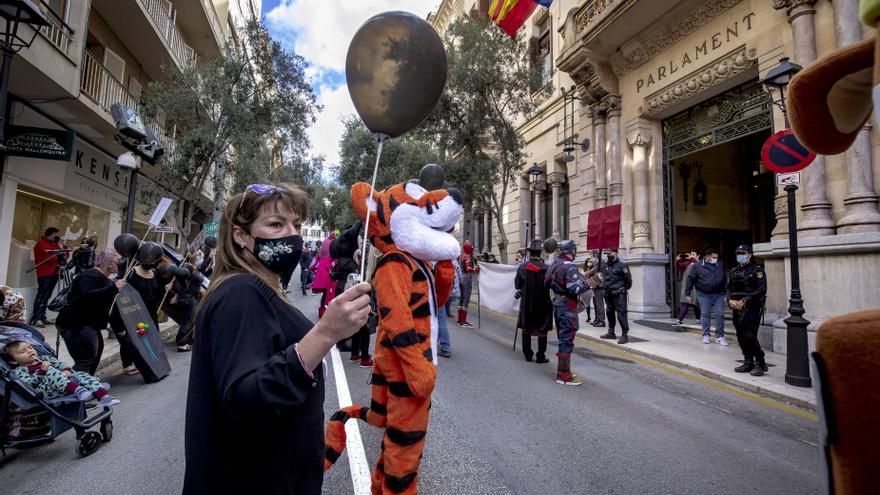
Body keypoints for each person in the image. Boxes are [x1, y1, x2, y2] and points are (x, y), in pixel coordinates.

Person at [183, 183, 371, 494]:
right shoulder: (240, 293)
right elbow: (246, 401)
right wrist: (326, 332)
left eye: (295, 225)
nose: (292, 235)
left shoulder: (259, 287)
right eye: (275, 224)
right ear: (241, 235)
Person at [56, 249, 126, 375]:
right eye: (116, 261)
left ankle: (87, 383)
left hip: (89, 323)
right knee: (86, 358)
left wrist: (119, 327)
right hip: (77, 323)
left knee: (95, 354)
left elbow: (110, 307)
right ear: (107, 262)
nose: (119, 264)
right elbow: (86, 296)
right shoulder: (89, 276)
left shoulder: (107, 281)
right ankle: (76, 387)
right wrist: (113, 288)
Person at [4, 340, 120, 407]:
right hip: (47, 391)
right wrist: (42, 371)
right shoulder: (20, 370)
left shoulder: (45, 358)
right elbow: (29, 384)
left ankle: (103, 396)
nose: (29, 351)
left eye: (30, 347)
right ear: (14, 360)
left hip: (65, 383)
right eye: (22, 351)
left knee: (80, 374)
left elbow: (61, 364)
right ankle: (80, 391)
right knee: (51, 371)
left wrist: (66, 370)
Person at [110, 249, 167, 375]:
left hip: (150, 312)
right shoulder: (131, 273)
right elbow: (123, 294)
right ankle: (127, 364)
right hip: (134, 312)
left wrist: (165, 289)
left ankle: (153, 362)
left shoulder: (154, 273)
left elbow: (157, 292)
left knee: (151, 337)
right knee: (132, 339)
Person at [546, 240, 589, 385]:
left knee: (562, 338)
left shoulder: (554, 264)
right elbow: (576, 289)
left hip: (557, 304)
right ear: (572, 251)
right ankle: (564, 375)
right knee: (566, 340)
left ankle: (563, 370)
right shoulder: (569, 267)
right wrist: (590, 282)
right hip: (567, 307)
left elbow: (546, 282)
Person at [727, 244, 768, 376]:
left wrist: (745, 300)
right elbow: (728, 289)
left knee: (750, 335)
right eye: (738, 253)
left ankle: (760, 362)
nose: (740, 256)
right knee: (740, 335)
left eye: (743, 253)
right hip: (736, 307)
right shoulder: (733, 271)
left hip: (752, 307)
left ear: (749, 255)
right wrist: (729, 300)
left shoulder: (757, 270)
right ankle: (748, 361)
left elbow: (761, 289)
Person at [515, 240, 553, 363]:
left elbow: (517, 285)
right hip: (543, 303)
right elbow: (551, 285)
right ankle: (540, 355)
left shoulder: (522, 267)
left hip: (527, 303)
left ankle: (527, 354)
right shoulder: (547, 269)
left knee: (527, 328)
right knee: (542, 330)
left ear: (529, 252)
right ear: (540, 253)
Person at [685, 247, 728, 346]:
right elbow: (690, 279)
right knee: (705, 314)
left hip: (719, 294)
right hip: (703, 294)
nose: (715, 259)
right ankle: (706, 335)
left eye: (716, 257)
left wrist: (726, 293)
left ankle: (720, 336)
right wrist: (687, 293)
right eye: (713, 257)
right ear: (707, 257)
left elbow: (724, 279)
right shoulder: (697, 266)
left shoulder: (719, 265)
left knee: (720, 314)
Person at [29, 227, 65, 328]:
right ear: (52, 234)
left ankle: (42, 316)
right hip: (45, 274)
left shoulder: (54, 244)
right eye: (56, 235)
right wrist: (58, 254)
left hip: (54, 273)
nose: (57, 237)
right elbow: (50, 258)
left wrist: (62, 246)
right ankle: (36, 318)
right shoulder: (41, 244)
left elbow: (64, 255)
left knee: (47, 296)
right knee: (41, 296)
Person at [163, 265, 203, 352]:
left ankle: (187, 340)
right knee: (186, 322)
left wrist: (172, 291)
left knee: (187, 321)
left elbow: (178, 289)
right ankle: (182, 344)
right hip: (189, 301)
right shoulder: (190, 279)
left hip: (185, 301)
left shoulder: (181, 281)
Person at [600, 249, 633, 344]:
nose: (608, 255)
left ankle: (624, 334)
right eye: (607, 254)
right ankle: (611, 332)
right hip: (608, 294)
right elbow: (604, 278)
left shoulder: (622, 266)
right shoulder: (606, 265)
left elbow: (628, 281)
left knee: (621, 314)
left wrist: (622, 289)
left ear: (615, 253)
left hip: (619, 294)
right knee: (609, 312)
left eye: (609, 253)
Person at [438, 260, 461, 358]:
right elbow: (459, 276)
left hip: (439, 295)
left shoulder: (440, 263)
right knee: (440, 319)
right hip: (447, 293)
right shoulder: (452, 262)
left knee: (440, 320)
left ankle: (445, 347)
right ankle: (436, 343)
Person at [674, 251, 701, 326]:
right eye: (691, 254)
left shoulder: (700, 263)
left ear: (698, 256)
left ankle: (698, 320)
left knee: (696, 304)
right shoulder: (687, 263)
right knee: (684, 303)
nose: (691, 256)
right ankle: (679, 320)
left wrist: (691, 258)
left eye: (693, 255)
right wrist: (677, 260)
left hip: (696, 287)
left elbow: (697, 265)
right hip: (687, 287)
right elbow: (679, 267)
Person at [457, 240, 479, 327]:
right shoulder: (467, 257)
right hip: (466, 279)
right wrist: (475, 270)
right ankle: (463, 321)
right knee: (465, 300)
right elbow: (468, 268)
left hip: (460, 279)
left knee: (461, 299)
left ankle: (459, 320)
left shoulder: (461, 256)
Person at [586, 250, 606, 327]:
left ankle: (602, 320)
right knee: (596, 304)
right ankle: (597, 319)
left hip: (600, 286)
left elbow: (594, 271)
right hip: (595, 286)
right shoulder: (596, 264)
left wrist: (588, 272)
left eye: (591, 256)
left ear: (595, 256)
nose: (591, 259)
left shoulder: (601, 263)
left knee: (599, 304)